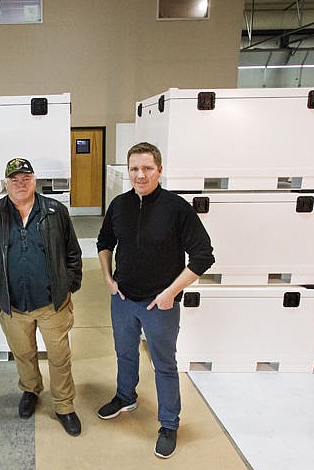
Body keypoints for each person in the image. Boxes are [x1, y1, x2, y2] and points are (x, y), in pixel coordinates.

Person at [96, 142, 214, 459]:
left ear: (159, 170)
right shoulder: (119, 205)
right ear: (128, 171)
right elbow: (104, 241)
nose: (140, 174)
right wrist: (108, 278)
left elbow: (204, 256)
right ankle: (125, 396)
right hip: (122, 298)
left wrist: (170, 293)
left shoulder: (177, 209)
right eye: (134, 168)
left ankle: (169, 424)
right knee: (124, 352)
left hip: (159, 304)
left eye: (147, 168)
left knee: (163, 365)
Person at [0, 157, 83, 436]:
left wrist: (69, 285)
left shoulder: (55, 211)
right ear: (5, 183)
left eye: (26, 179)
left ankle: (64, 405)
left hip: (52, 303)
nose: (21, 184)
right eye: (15, 180)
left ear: (35, 180)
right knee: (23, 353)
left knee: (59, 357)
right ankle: (31, 390)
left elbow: (72, 253)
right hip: (13, 305)